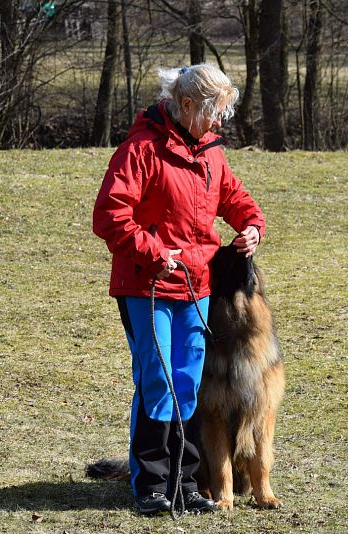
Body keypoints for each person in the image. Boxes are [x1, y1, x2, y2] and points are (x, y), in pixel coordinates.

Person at [92, 64, 265, 515]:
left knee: (187, 383)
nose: (220, 122)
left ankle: (185, 483)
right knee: (158, 380)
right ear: (187, 106)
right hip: (147, 286)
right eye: (215, 112)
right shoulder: (140, 150)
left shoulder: (211, 153)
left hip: (197, 287)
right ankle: (150, 484)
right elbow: (110, 217)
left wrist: (251, 227)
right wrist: (154, 252)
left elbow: (237, 199)